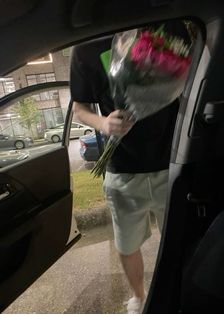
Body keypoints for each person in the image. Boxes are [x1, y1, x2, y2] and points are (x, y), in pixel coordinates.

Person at [70, 22, 190, 314]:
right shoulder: (86, 44)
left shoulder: (169, 27)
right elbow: (79, 107)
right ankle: (139, 297)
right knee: (126, 244)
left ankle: (180, 290)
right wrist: (103, 123)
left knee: (179, 238)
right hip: (122, 167)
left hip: (173, 160)